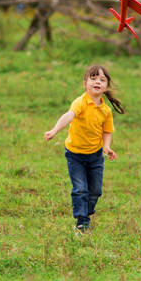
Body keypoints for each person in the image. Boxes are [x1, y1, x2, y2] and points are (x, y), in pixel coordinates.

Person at [44, 65, 124, 234]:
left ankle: (86, 214)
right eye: (93, 78)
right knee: (80, 189)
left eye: (102, 80)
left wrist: (107, 147)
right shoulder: (80, 102)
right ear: (85, 83)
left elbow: (107, 131)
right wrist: (54, 130)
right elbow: (69, 115)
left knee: (95, 191)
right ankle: (82, 222)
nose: (97, 82)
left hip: (95, 156)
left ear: (106, 86)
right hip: (75, 155)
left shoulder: (105, 110)